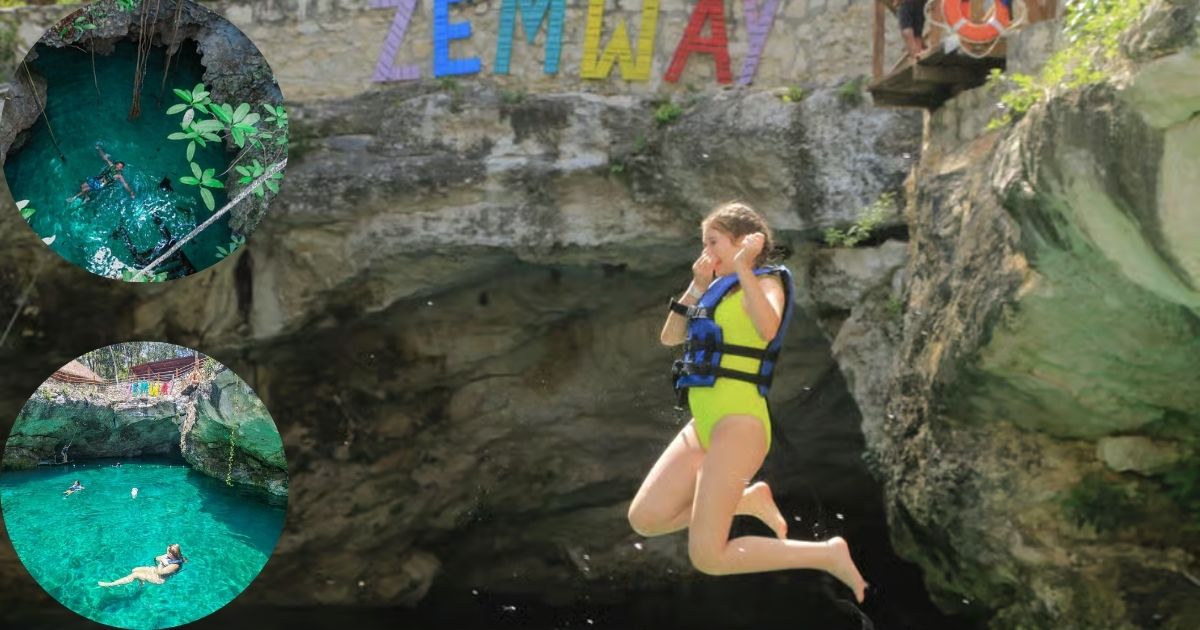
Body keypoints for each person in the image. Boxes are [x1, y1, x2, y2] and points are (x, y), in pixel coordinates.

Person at [627, 202, 867, 603]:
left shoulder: (766, 282)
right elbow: (670, 337)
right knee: (646, 518)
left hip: (739, 425)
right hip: (705, 423)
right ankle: (748, 501)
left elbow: (768, 327)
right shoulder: (713, 291)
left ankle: (827, 554)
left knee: (709, 557)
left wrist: (742, 267)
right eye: (704, 243)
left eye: (713, 242)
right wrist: (697, 284)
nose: (706, 252)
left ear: (743, 243)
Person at [98, 544, 186, 587]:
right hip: (155, 570)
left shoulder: (175, 565)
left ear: (172, 554)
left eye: (167, 552)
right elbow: (156, 558)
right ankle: (142, 581)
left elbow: (160, 572)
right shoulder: (170, 556)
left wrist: (161, 562)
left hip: (159, 578)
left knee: (135, 575)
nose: (166, 553)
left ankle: (111, 584)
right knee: (134, 570)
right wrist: (162, 559)